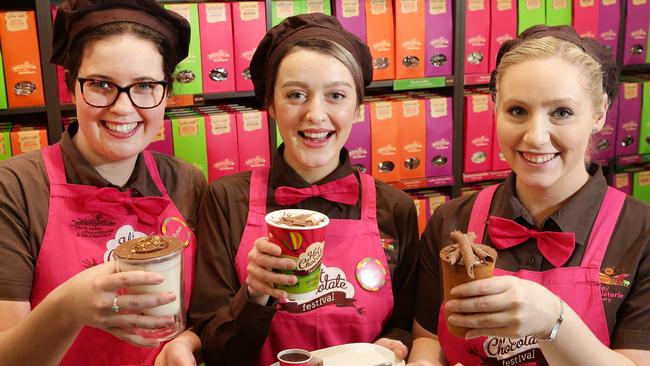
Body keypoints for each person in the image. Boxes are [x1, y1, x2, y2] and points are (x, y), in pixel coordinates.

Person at [408, 25, 650, 366]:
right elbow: (429, 339)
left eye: (562, 113)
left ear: (599, 114)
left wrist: (553, 321)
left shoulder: (641, 233)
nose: (536, 137)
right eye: (517, 111)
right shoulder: (451, 219)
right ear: (495, 109)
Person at [188, 13, 419, 366]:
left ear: (358, 107)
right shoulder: (225, 200)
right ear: (270, 104)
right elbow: (215, 350)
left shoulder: (397, 208)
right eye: (296, 94)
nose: (315, 114)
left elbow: (408, 325)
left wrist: (395, 345)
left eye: (336, 95)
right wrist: (253, 295)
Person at [0, 1, 207, 365]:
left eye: (144, 85)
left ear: (167, 94)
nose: (123, 108)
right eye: (100, 84)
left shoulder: (188, 182)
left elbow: (204, 313)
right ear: (71, 88)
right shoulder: (15, 188)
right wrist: (68, 308)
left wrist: (185, 343)